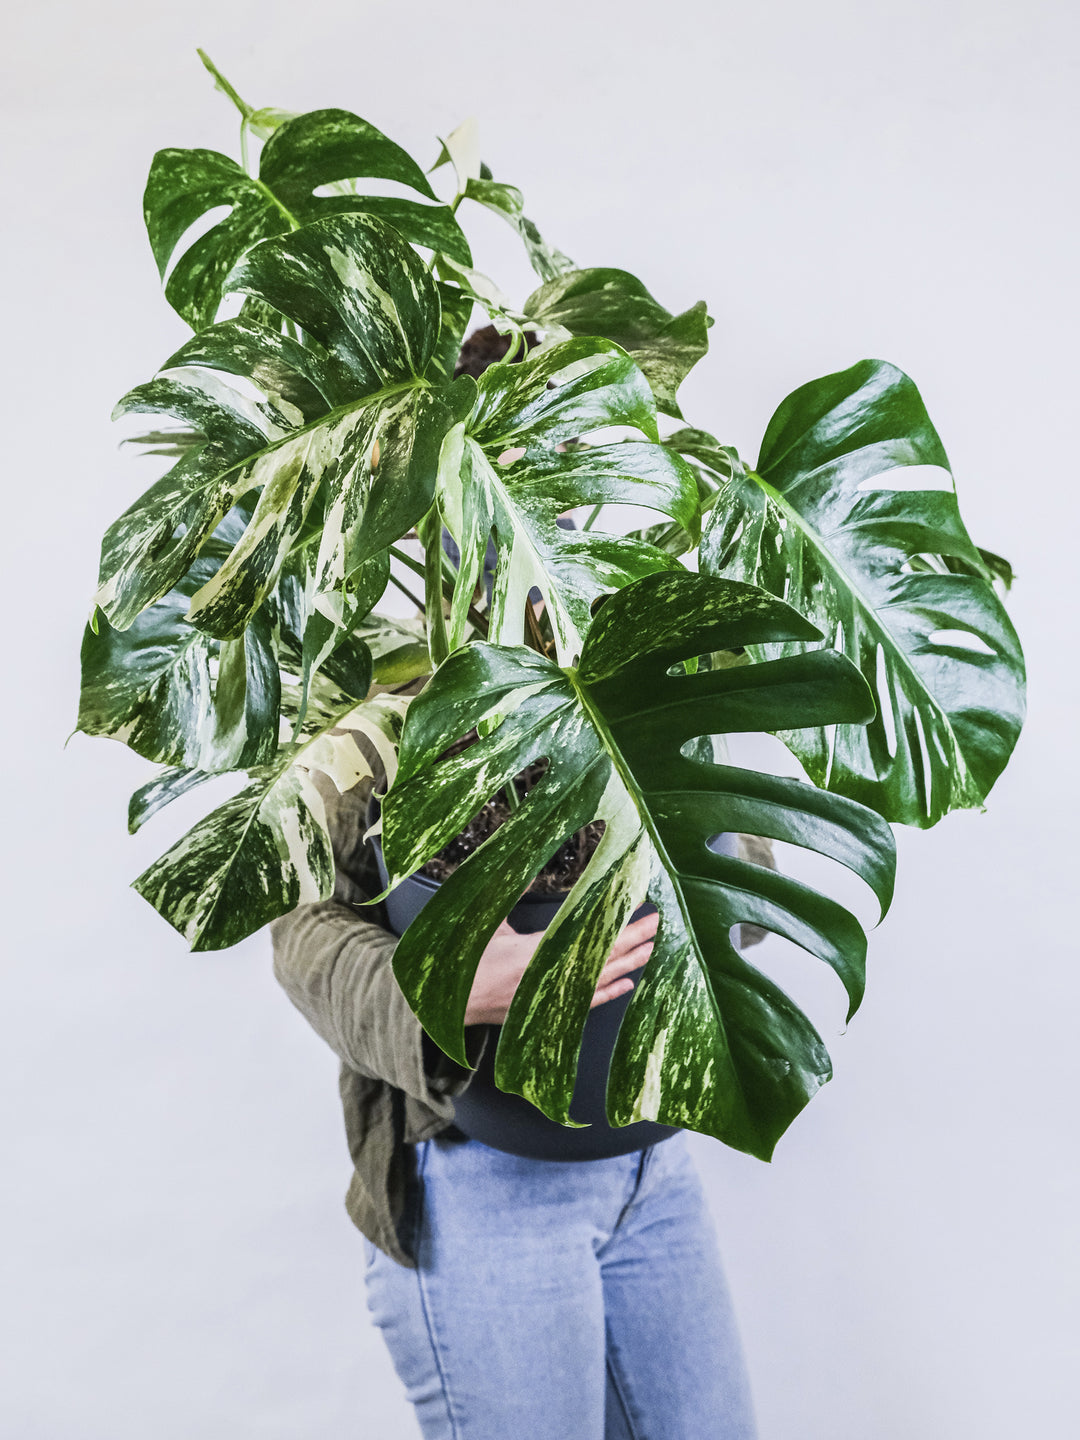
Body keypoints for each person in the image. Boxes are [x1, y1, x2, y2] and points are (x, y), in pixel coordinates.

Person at [271, 767, 760, 1439]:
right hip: (480, 1186)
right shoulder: (379, 685)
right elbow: (307, 931)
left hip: (654, 1171)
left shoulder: (649, 662)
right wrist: (446, 987)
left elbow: (736, 857)